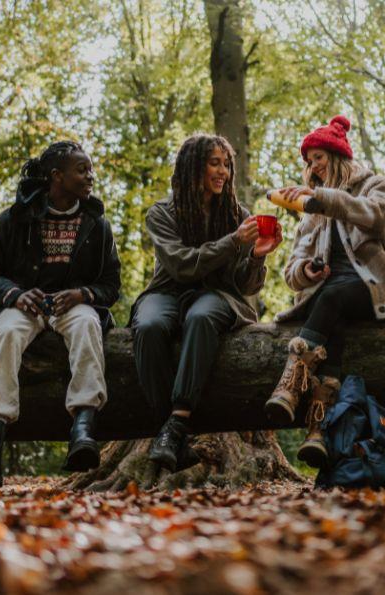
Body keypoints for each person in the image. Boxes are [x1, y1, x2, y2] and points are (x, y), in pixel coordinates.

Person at [267, 115, 385, 468]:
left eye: (318, 157)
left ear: (337, 157)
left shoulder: (373, 186)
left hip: (373, 291)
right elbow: (292, 274)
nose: (313, 166)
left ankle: (291, 382)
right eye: (308, 161)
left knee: (333, 296)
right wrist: (306, 272)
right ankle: (318, 428)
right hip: (330, 300)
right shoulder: (309, 213)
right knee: (331, 303)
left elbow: (376, 216)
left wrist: (323, 199)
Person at [0, 141, 121, 487]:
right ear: (57, 176)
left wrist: (84, 294)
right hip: (24, 306)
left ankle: (83, 428)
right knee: (5, 332)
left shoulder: (97, 224)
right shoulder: (13, 219)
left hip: (74, 307)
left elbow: (111, 284)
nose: (90, 176)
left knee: (87, 324)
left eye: (90, 169)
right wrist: (15, 295)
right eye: (82, 170)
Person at [131, 133, 282, 473]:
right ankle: (168, 433)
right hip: (168, 291)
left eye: (227, 164)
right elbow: (182, 265)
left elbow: (245, 284)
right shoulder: (162, 213)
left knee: (201, 317)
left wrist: (257, 257)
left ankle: (178, 421)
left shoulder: (236, 214)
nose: (223, 172)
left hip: (219, 297)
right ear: (193, 166)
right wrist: (232, 243)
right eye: (215, 163)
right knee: (150, 324)